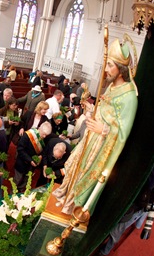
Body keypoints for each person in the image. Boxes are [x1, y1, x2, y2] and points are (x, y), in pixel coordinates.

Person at [53, 38, 139, 215]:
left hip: (100, 147)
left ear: (121, 69)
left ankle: (73, 206)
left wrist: (104, 130)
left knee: (84, 175)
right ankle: (66, 196)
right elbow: (105, 113)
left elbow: (122, 134)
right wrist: (93, 111)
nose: (105, 70)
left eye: (109, 65)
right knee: (74, 168)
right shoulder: (111, 87)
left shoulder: (129, 97)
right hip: (90, 138)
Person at [13, 122, 52, 192]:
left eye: (46, 135)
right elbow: (20, 149)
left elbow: (44, 150)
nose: (44, 136)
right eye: (43, 134)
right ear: (39, 129)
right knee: (16, 183)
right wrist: (30, 160)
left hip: (31, 167)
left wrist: (40, 156)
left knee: (25, 183)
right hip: (22, 163)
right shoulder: (28, 135)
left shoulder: (46, 138)